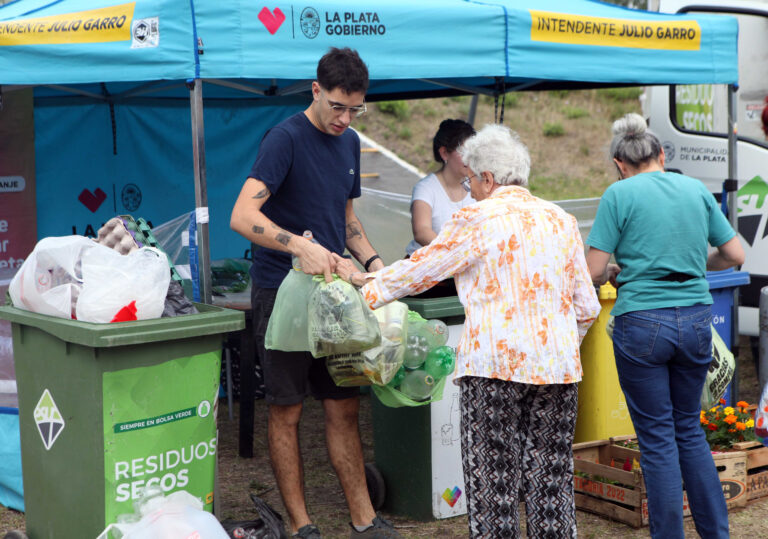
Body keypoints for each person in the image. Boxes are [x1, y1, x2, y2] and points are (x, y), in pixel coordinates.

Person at [338, 124, 600, 538]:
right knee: (550, 483)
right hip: (557, 370)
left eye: (471, 180)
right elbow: (587, 306)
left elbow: (422, 268)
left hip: (493, 368)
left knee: (493, 486)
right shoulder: (561, 220)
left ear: (489, 179)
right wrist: (559, 346)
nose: (469, 188)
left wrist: (366, 287)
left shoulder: (477, 217)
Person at [230, 47, 397, 539]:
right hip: (281, 296)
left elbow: (345, 221)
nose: (345, 119)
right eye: (337, 108)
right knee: (287, 410)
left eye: (356, 109)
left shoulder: (350, 145)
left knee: (344, 406)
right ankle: (303, 526)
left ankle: (365, 520)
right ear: (316, 91)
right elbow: (243, 216)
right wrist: (296, 245)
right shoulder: (284, 139)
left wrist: (375, 264)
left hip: (337, 299)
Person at [585, 113, 745, 539]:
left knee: (656, 439)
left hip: (641, 322)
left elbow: (594, 270)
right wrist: (696, 266)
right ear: (660, 154)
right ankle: (716, 533)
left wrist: (621, 271)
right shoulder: (694, 189)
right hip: (695, 317)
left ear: (620, 163)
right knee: (689, 429)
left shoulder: (618, 195)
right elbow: (734, 254)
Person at [405, 119, 476, 256]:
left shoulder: (476, 185)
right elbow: (422, 231)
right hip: (426, 268)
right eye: (464, 152)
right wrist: (456, 253)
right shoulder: (426, 188)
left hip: (461, 268)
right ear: (444, 153)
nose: (470, 158)